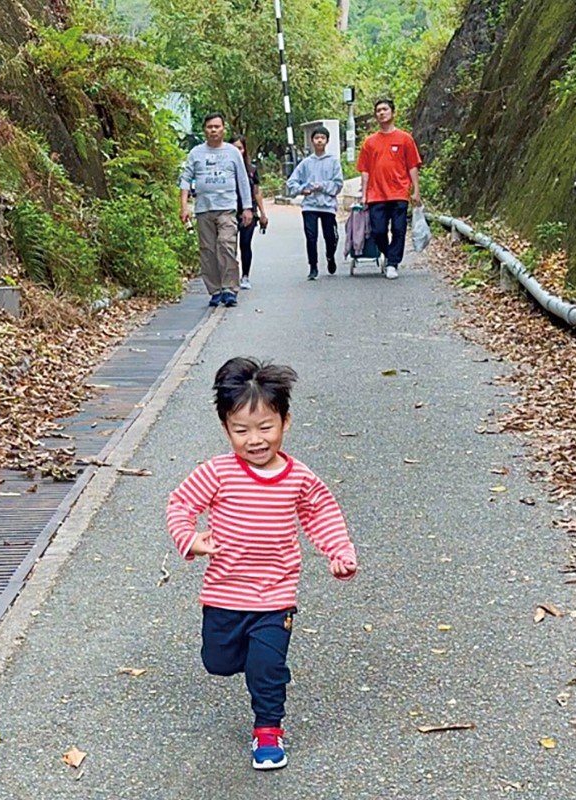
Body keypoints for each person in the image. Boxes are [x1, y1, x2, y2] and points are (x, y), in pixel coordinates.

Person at [166, 357, 358, 771]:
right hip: (224, 591)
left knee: (267, 666)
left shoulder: (298, 477)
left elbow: (321, 513)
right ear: (226, 430)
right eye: (241, 430)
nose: (254, 439)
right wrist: (190, 538)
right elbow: (180, 504)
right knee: (218, 663)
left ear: (285, 422)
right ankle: (244, 660)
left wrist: (338, 552)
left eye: (265, 427)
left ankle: (268, 730)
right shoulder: (217, 472)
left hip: (275, 594)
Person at [180, 114, 253, 307]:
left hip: (227, 208)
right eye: (210, 127)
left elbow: (243, 180)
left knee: (226, 245)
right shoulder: (196, 153)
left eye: (217, 127)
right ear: (204, 129)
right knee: (208, 251)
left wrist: (247, 207)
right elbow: (186, 179)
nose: (214, 130)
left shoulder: (232, 152)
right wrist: (184, 206)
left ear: (223, 129)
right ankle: (215, 290)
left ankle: (230, 289)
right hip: (204, 209)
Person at [357, 98, 423, 280]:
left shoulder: (405, 139)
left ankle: (393, 263)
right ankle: (387, 254)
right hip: (376, 194)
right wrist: (363, 195)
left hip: (399, 192)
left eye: (385, 109)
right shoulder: (369, 142)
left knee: (399, 229)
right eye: (378, 110)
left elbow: (412, 166)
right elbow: (365, 170)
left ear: (393, 113)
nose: (381, 113)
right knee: (378, 231)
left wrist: (416, 190)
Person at [286, 128, 344, 281]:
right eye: (316, 138)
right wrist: (301, 190)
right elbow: (291, 182)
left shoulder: (333, 161)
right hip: (310, 206)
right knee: (311, 237)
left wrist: (323, 186)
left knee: (330, 236)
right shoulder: (306, 163)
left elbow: (338, 184)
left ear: (327, 141)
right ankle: (313, 266)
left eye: (322, 138)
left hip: (327, 205)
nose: (319, 140)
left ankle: (330, 256)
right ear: (312, 141)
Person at [230, 136, 268, 291]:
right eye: (234, 148)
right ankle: (230, 277)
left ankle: (245, 276)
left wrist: (263, 213)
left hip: (248, 212)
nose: (237, 151)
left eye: (240, 148)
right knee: (228, 246)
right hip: (229, 211)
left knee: (245, 244)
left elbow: (256, 192)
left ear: (244, 149)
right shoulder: (225, 170)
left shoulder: (251, 170)